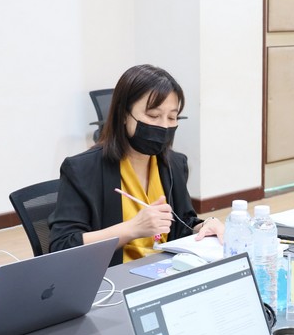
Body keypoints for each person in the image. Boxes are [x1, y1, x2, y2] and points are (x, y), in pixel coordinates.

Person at [49, 64, 224, 266]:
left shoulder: (174, 164)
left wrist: (206, 226)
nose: (164, 126)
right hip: (113, 277)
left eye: (172, 117)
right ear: (124, 114)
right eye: (153, 115)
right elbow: (63, 246)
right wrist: (132, 229)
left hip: (166, 270)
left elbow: (183, 222)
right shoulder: (82, 169)